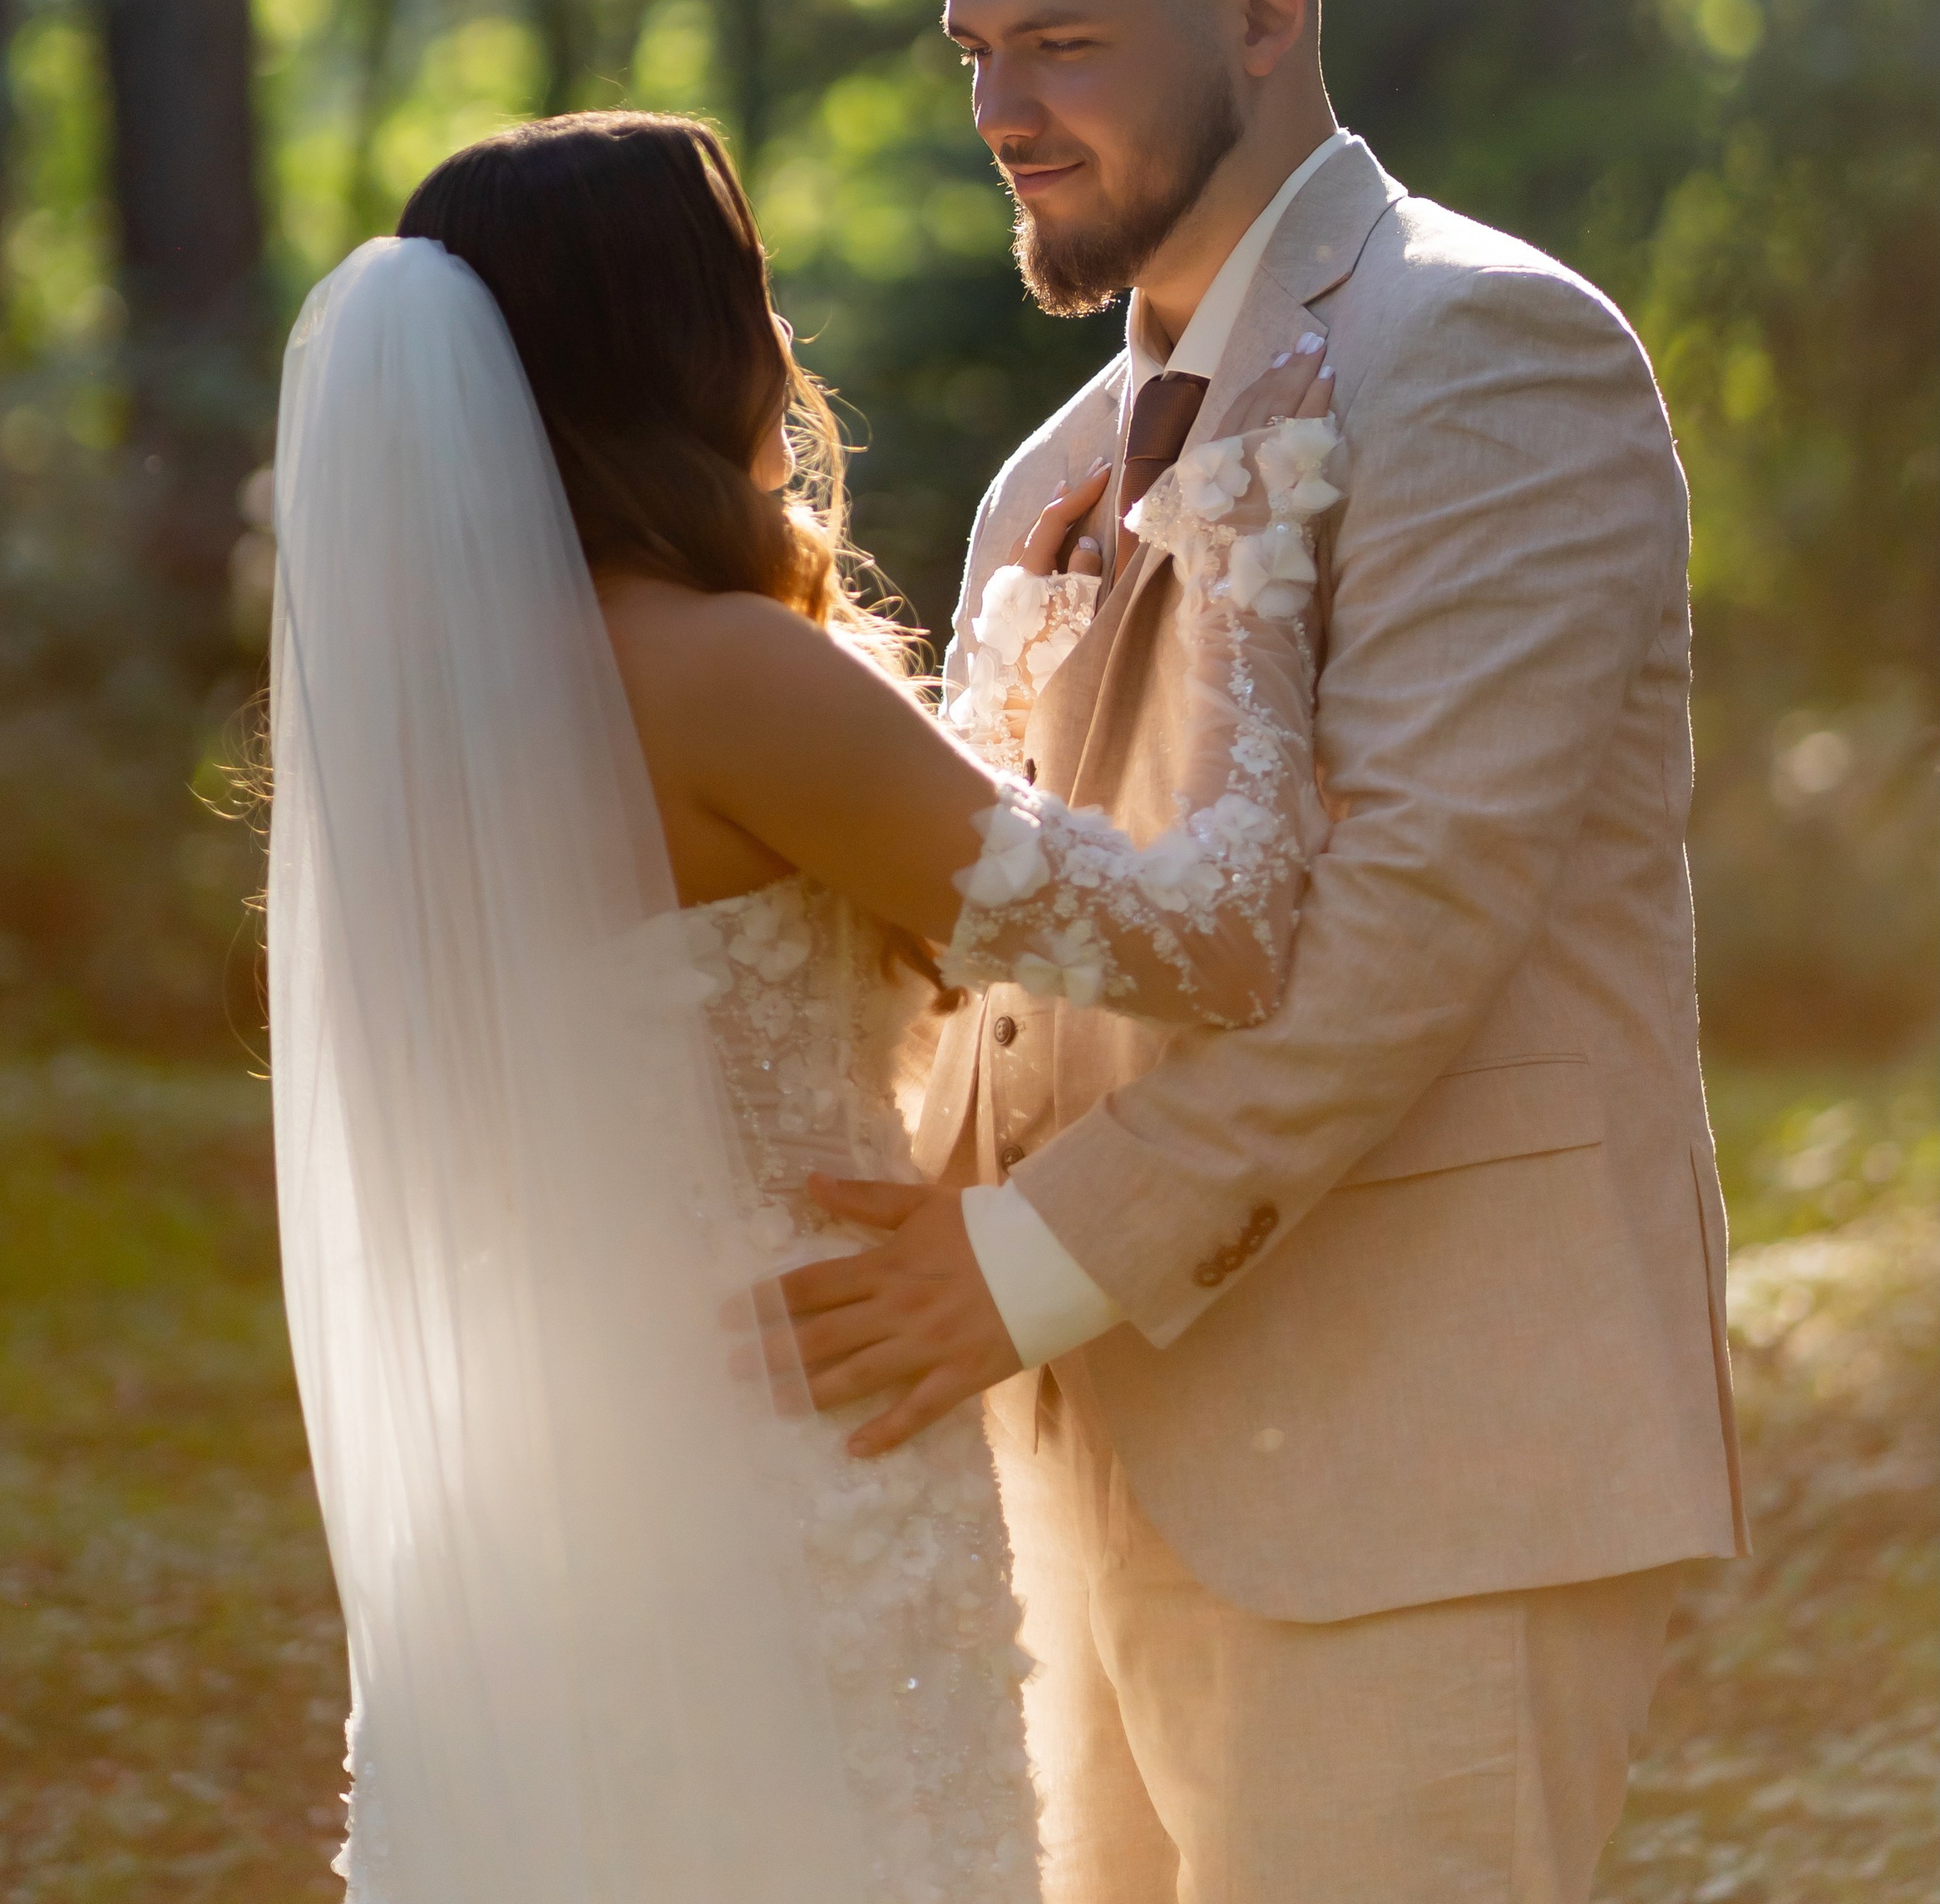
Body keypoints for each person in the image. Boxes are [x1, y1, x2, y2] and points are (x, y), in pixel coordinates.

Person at [781, 0, 1746, 1904]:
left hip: (1416, 1471)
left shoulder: (1489, 353)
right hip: (1069, 1460)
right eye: (974, 52)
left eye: (1065, 42)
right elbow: (1028, 942)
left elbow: (1411, 925)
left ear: (1262, 16)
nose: (1003, 107)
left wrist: (1016, 1275)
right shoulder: (1056, 461)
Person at [265, 107, 1340, 1902]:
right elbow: (1214, 938)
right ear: (682, 342)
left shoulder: (431, 734)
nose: (779, 341)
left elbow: (853, 876)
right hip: (792, 1471)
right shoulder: (721, 671)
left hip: (554, 1494)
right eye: (748, 289)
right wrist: (1248, 568)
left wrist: (1011, 644)